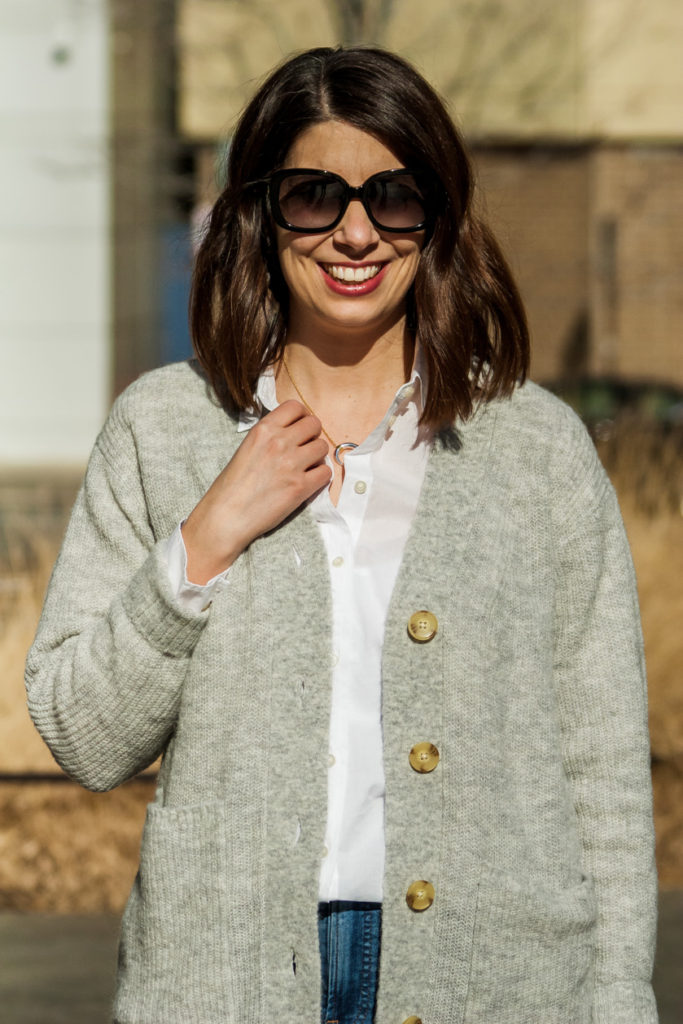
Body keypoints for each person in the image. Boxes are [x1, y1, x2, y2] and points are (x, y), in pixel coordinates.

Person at [26, 46, 658, 1024]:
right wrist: (204, 537)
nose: (354, 232)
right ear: (258, 214)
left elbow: (602, 769)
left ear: (435, 216)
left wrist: (619, 998)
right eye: (314, 195)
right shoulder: (164, 429)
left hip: (495, 979)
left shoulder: (535, 450)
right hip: (225, 975)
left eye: (393, 197)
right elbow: (80, 736)